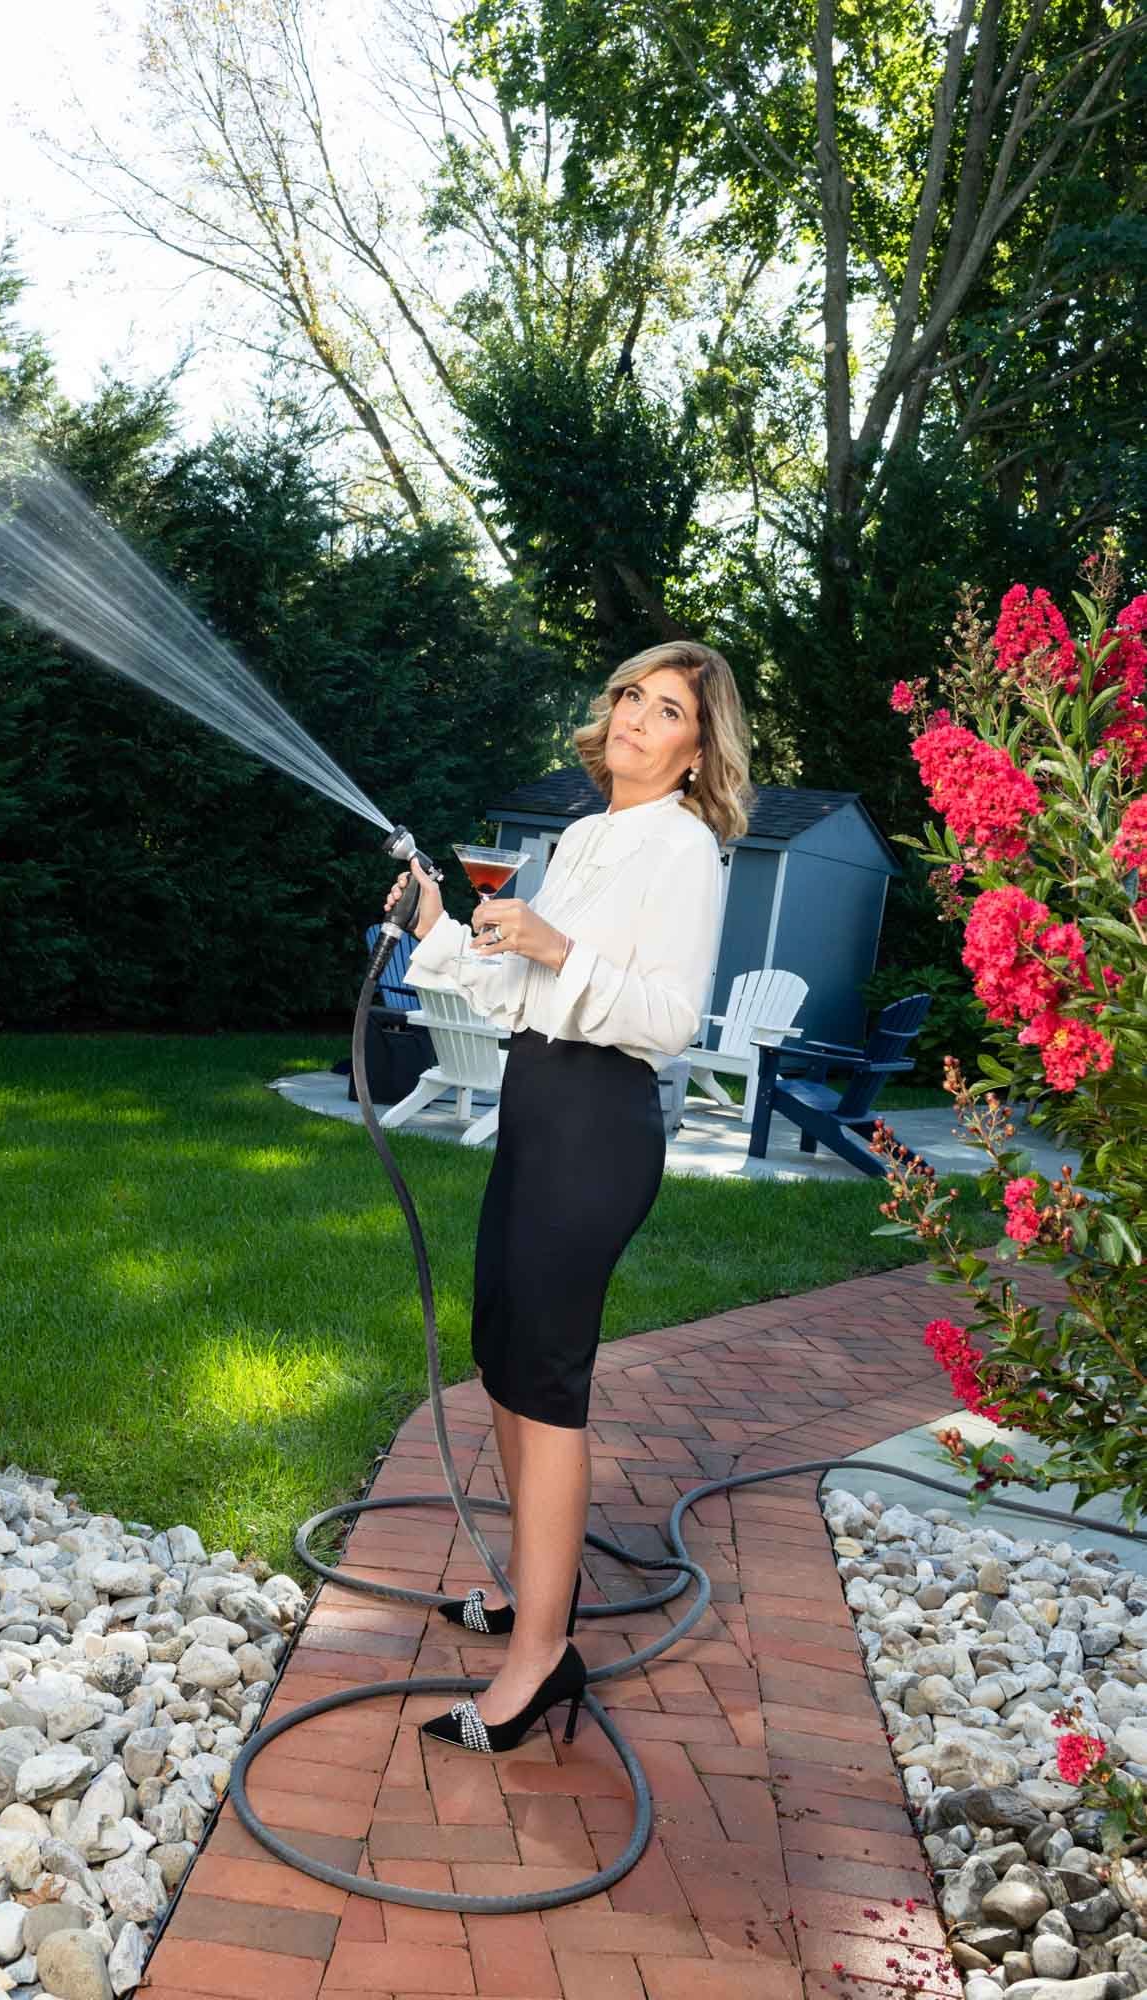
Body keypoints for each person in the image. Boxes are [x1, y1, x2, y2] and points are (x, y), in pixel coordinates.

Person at [383, 639, 752, 1755]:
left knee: (545, 1378)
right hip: (540, 1100)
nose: (637, 716)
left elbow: (669, 1016)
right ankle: (528, 1591)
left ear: (696, 748)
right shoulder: (586, 833)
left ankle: (541, 1655)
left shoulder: (686, 847)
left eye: (668, 707)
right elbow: (516, 981)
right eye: (631, 695)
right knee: (502, 1349)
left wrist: (556, 944)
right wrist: (438, 928)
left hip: (600, 1119)